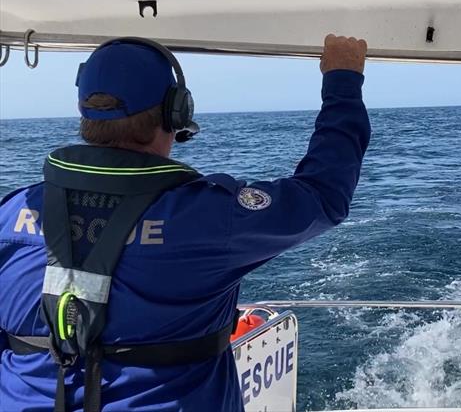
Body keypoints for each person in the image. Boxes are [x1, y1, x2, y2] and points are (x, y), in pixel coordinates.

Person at [0, 34, 370, 411]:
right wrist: (342, 80)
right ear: (175, 113)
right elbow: (323, 194)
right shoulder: (207, 217)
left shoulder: (9, 215)